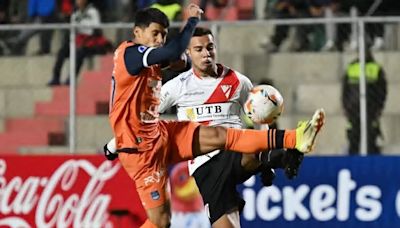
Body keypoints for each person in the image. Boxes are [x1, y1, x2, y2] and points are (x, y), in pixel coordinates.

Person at [105, 5, 325, 227]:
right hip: (146, 152)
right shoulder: (131, 55)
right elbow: (170, 57)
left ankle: (295, 138)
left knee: (223, 136)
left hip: (159, 134)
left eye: (163, 34)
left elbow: (139, 110)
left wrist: (113, 144)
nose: (160, 39)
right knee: (161, 222)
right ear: (137, 33)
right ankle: (276, 158)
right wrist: (190, 21)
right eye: (156, 33)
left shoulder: (237, 80)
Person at [47, 0, 112, 86]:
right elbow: (73, 29)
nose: (78, 1)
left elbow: (96, 30)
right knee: (62, 51)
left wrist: (83, 33)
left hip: (91, 43)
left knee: (80, 53)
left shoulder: (93, 12)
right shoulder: (75, 13)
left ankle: (71, 78)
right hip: (78, 41)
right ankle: (56, 77)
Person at [342, 49, 387, 155]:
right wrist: (347, 107)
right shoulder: (351, 67)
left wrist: (378, 108)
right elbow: (345, 90)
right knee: (354, 141)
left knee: (370, 141)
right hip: (354, 112)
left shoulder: (376, 68)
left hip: (370, 111)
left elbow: (382, 91)